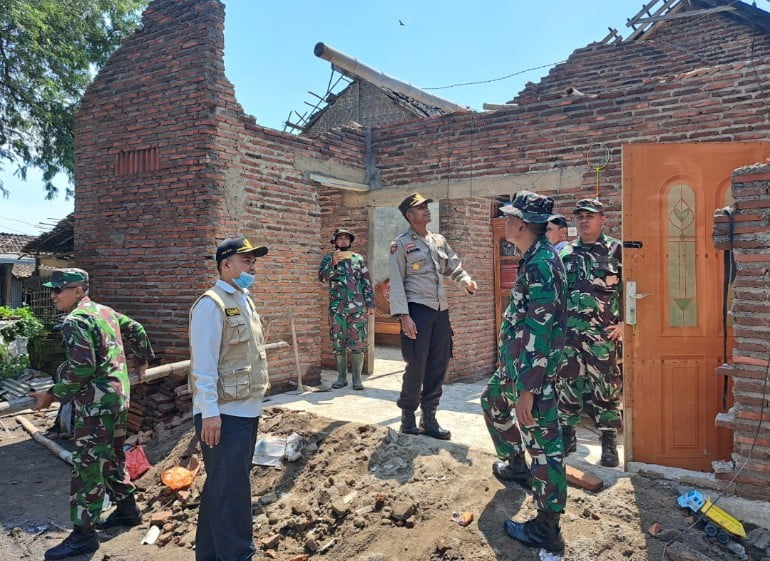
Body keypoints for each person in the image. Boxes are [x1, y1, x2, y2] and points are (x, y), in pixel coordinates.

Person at [28, 268, 154, 560]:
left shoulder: (76, 320)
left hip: (97, 406)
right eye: (53, 289)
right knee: (111, 458)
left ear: (80, 290)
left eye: (60, 289)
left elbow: (82, 369)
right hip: (117, 399)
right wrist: (142, 361)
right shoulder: (104, 312)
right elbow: (136, 329)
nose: (53, 295)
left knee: (87, 468)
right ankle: (127, 510)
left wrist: (51, 395)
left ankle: (84, 537)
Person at [480, 191, 567, 554]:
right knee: (492, 403)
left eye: (510, 217)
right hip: (516, 369)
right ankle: (516, 465)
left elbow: (540, 329)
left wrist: (529, 389)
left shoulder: (542, 264)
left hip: (535, 375)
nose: (505, 221)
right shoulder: (531, 257)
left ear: (522, 224)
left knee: (544, 448)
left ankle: (548, 529)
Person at [189, 236, 270, 561]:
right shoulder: (211, 304)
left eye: (253, 261)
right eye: (246, 260)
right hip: (222, 416)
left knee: (221, 488)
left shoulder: (244, 299)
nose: (252, 266)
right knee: (232, 492)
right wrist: (209, 413)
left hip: (245, 412)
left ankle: (209, 555)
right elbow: (203, 365)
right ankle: (237, 555)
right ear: (226, 265)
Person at [388, 192, 477, 440]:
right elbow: (396, 282)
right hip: (417, 311)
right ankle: (408, 416)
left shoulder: (438, 240)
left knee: (439, 364)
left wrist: (465, 280)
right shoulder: (400, 244)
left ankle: (429, 417)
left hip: (440, 312)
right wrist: (404, 316)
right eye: (420, 207)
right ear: (409, 215)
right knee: (416, 365)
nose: (427, 210)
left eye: (427, 206)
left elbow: (453, 267)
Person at [557, 198, 623, 468]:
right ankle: (567, 436)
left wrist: (627, 324)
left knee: (606, 389)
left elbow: (635, 288)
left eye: (590, 216)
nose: (584, 220)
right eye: (580, 216)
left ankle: (608, 442)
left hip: (603, 336)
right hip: (569, 335)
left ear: (602, 219)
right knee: (567, 386)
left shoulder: (617, 250)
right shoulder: (565, 253)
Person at [318, 228, 375, 390]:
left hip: (356, 308)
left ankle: (357, 379)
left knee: (358, 342)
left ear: (350, 242)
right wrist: (332, 264)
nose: (343, 241)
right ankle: (341, 377)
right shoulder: (328, 258)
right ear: (335, 241)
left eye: (346, 238)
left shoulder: (358, 258)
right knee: (338, 342)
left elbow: (366, 282)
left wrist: (370, 304)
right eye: (340, 238)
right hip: (337, 309)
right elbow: (322, 277)